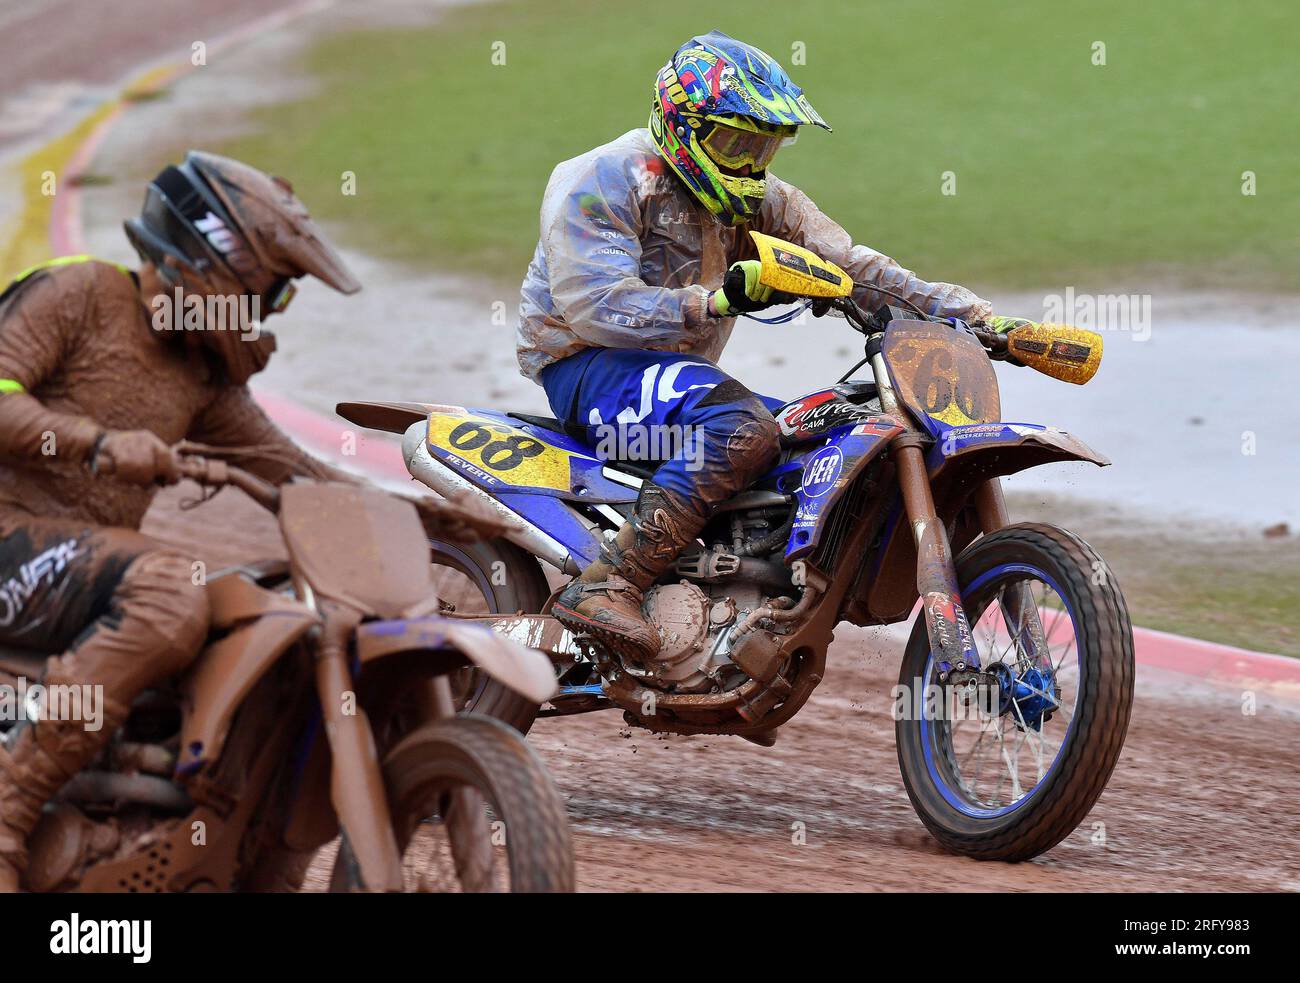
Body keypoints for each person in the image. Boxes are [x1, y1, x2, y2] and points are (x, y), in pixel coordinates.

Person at [0, 151, 495, 891]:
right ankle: (9, 812)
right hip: (14, 537)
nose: (268, 313)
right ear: (212, 258)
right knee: (171, 589)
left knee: (268, 623)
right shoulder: (84, 291)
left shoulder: (201, 379)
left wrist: (431, 514)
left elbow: (296, 471)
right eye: (270, 290)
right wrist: (98, 444)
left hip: (81, 569)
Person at [518, 31, 1003, 661]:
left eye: (763, 145)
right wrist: (716, 302)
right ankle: (609, 583)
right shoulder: (606, 177)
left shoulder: (764, 201)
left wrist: (984, 322)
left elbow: (857, 269)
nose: (750, 161)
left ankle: (744, 595)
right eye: (734, 142)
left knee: (833, 426)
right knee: (743, 429)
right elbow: (596, 305)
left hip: (674, 373)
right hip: (585, 364)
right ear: (682, 124)